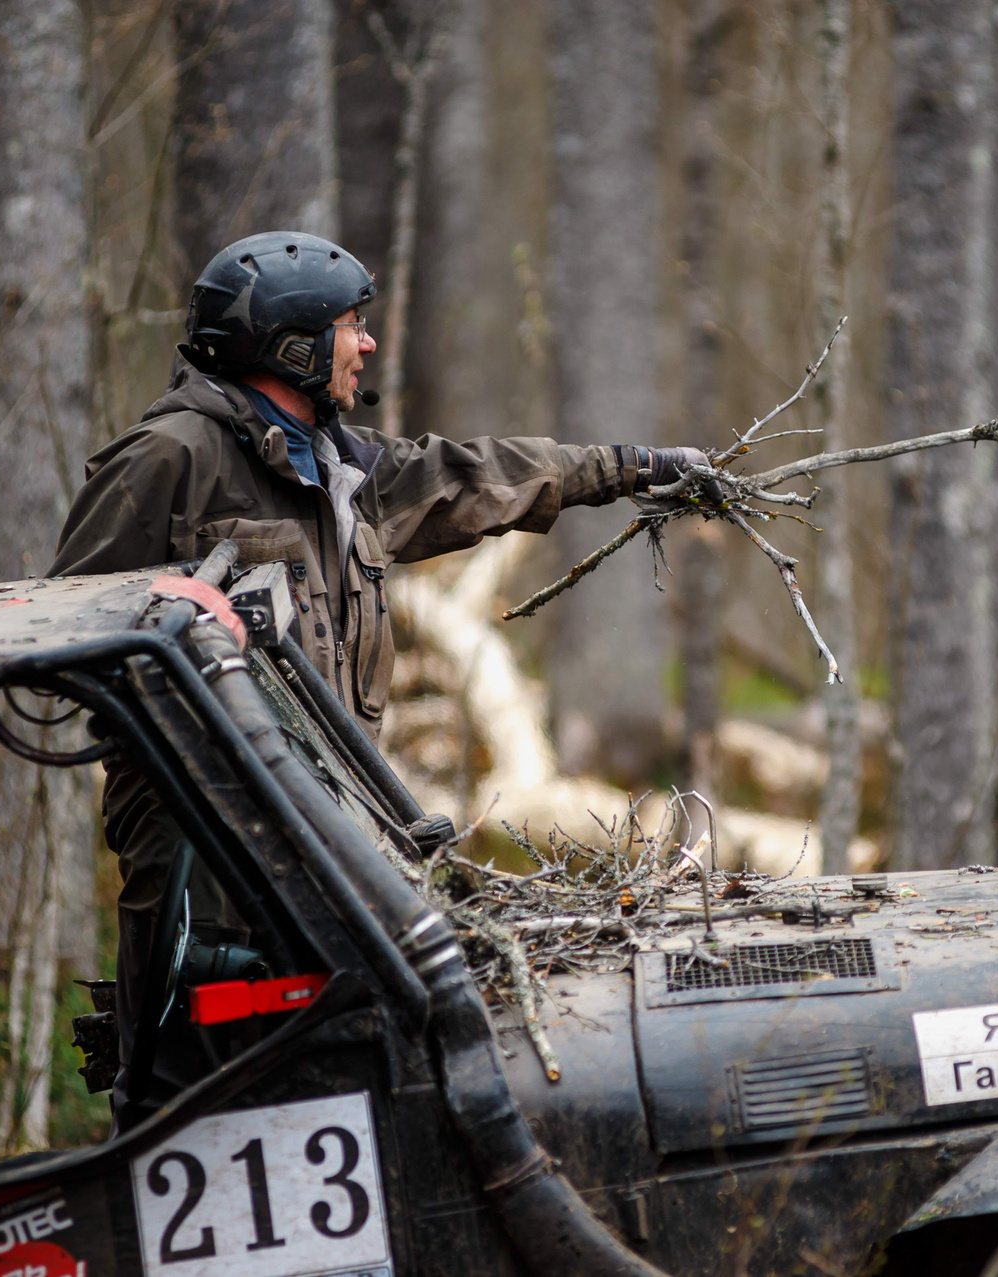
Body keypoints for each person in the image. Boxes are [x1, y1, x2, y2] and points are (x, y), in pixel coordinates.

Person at [50, 230, 702, 1118]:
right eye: (350, 327)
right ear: (291, 345)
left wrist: (631, 469)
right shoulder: (171, 457)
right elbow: (65, 637)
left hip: (336, 837)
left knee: (340, 1084)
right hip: (205, 855)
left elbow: (478, 475)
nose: (366, 344)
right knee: (194, 1097)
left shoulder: (344, 468)